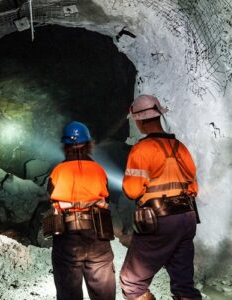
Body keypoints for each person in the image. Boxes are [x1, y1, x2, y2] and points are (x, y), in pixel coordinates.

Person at [119, 95, 202, 300]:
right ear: (159, 116)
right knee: (183, 283)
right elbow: (193, 187)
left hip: (160, 219)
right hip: (187, 216)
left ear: (139, 120)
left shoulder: (142, 149)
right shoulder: (180, 148)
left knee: (132, 282)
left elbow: (132, 191)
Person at [48, 121, 116, 300]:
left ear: (65, 146)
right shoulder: (99, 170)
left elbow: (51, 197)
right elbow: (106, 199)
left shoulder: (57, 171)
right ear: (88, 144)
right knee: (104, 293)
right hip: (97, 233)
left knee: (68, 292)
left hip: (67, 236)